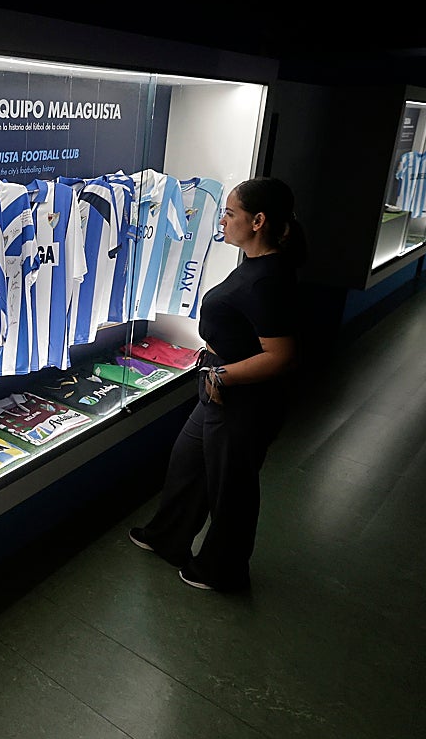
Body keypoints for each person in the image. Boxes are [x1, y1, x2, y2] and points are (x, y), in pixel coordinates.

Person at [129, 176, 307, 592]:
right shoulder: (256, 265)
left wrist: (220, 375)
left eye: (230, 213)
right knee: (188, 463)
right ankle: (169, 536)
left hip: (242, 397)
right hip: (219, 387)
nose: (223, 220)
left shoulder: (268, 279)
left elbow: (280, 355)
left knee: (232, 487)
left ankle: (223, 568)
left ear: (258, 220)